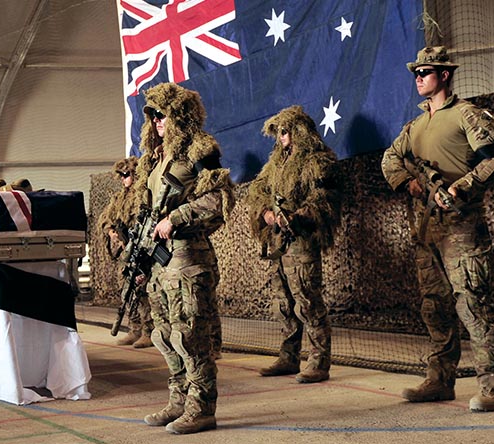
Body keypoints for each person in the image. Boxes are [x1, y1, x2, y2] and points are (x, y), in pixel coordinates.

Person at [381, 46, 494, 412]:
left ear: (445, 75)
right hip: (426, 227)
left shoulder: (467, 114)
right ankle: (439, 379)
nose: (419, 78)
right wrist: (410, 183)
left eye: (426, 72)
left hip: (461, 224)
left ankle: (491, 387)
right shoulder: (415, 125)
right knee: (434, 305)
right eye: (416, 73)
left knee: (473, 303)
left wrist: (460, 187)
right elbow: (389, 160)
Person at [137, 82, 234, 435]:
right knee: (164, 334)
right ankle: (179, 399)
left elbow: (216, 202)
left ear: (178, 115)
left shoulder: (200, 152)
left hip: (189, 258)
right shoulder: (155, 158)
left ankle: (201, 407)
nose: (156, 120)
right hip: (161, 263)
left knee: (190, 335)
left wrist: (175, 219)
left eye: (162, 114)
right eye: (152, 115)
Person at [247, 105, 340, 384]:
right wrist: (266, 212)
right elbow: (258, 189)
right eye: (278, 132)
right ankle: (289, 357)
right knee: (283, 302)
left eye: (285, 131)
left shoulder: (317, 161)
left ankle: (318, 361)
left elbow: (326, 197)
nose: (281, 137)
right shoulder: (275, 164)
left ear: (298, 131)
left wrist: (299, 216)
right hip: (278, 241)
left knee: (307, 300)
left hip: (301, 240)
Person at [97, 156, 153, 348]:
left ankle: (149, 331)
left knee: (142, 292)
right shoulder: (120, 198)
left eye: (126, 174)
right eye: (120, 175)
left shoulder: (144, 195)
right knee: (127, 293)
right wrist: (112, 232)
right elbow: (106, 219)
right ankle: (134, 329)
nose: (123, 178)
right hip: (126, 253)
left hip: (140, 251)